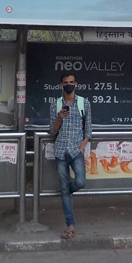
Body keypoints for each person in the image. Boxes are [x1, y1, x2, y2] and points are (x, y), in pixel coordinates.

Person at [48, 72, 91, 240]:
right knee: (64, 188)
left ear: (76, 84)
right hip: (60, 150)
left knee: (80, 182)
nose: (69, 84)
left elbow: (88, 130)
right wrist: (59, 117)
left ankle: (68, 191)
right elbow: (52, 131)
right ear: (61, 85)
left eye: (71, 82)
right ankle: (70, 225)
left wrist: (82, 147)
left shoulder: (83, 103)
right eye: (65, 82)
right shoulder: (55, 104)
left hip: (75, 151)